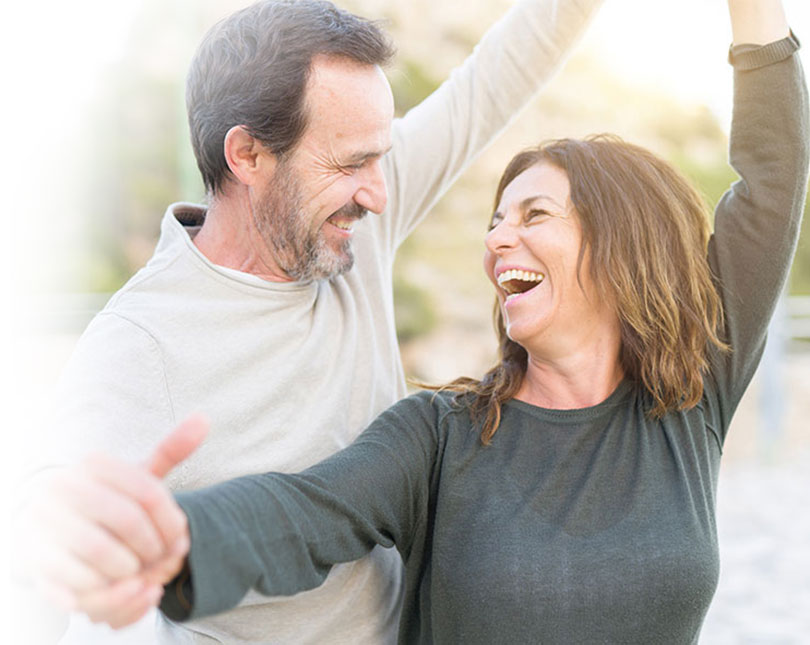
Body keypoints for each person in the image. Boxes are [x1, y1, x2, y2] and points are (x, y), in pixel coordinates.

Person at [48, 0, 807, 641]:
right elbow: (305, 510)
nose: (380, 194)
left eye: (534, 213)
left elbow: (773, 178)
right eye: (495, 219)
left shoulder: (689, 393)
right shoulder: (440, 433)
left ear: (619, 246)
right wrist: (171, 542)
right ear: (247, 155)